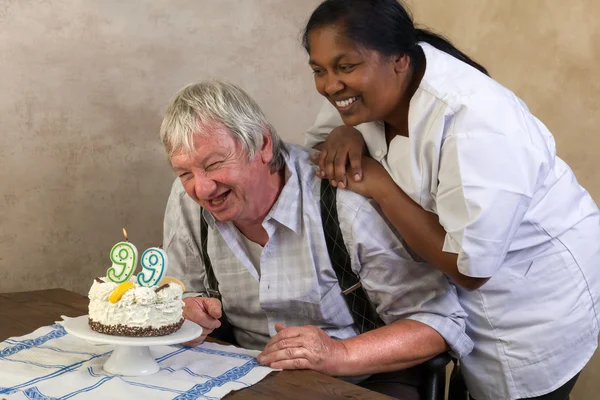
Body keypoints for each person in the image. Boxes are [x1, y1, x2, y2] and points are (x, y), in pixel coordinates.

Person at [302, 1, 600, 399]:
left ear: (398, 60)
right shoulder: (368, 95)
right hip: (453, 302)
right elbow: (321, 148)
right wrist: (344, 136)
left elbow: (470, 268)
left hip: (531, 303)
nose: (329, 85)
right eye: (318, 70)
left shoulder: (476, 122)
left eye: (345, 66)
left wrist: (380, 186)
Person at [159, 80, 473, 399]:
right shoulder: (187, 203)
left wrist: (339, 354)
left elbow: (438, 320)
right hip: (240, 375)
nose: (202, 189)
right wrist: (185, 310)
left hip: (358, 381)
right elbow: (181, 291)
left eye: (213, 165)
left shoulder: (344, 202)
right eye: (184, 173)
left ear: (263, 144)